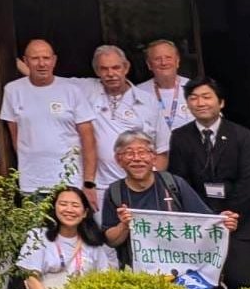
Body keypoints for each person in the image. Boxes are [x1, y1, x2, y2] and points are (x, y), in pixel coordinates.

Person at [166, 77, 250, 289]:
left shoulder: (242, 135)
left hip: (237, 220)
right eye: (193, 98)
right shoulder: (180, 137)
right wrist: (205, 217)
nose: (200, 103)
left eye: (206, 97)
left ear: (221, 102)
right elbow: (179, 182)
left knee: (240, 280)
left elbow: (249, 180)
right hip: (199, 222)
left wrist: (230, 215)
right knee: (200, 285)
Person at [101, 129, 237, 266]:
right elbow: (111, 241)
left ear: (153, 157)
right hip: (136, 271)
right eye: (129, 153)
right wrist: (124, 225)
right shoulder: (115, 192)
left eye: (142, 152)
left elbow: (205, 221)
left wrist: (223, 222)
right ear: (118, 160)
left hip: (179, 266)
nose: (137, 158)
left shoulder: (174, 184)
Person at [68, 45, 172, 209]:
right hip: (99, 188)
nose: (111, 74)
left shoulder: (148, 102)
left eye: (116, 67)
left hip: (138, 188)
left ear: (126, 67)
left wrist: (149, 182)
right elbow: (49, 80)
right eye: (104, 69)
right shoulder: (85, 89)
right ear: (97, 71)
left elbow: (162, 150)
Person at [1, 39, 98, 202]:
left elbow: (89, 140)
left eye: (46, 58)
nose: (41, 64)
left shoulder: (72, 91)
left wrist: (89, 182)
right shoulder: (12, 90)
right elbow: (15, 137)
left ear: (54, 60)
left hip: (70, 181)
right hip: (31, 183)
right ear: (26, 61)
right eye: (35, 58)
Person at [137, 39, 194, 131]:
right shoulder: (138, 93)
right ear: (149, 65)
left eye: (168, 57)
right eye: (157, 59)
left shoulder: (194, 88)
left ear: (177, 61)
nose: (163, 62)